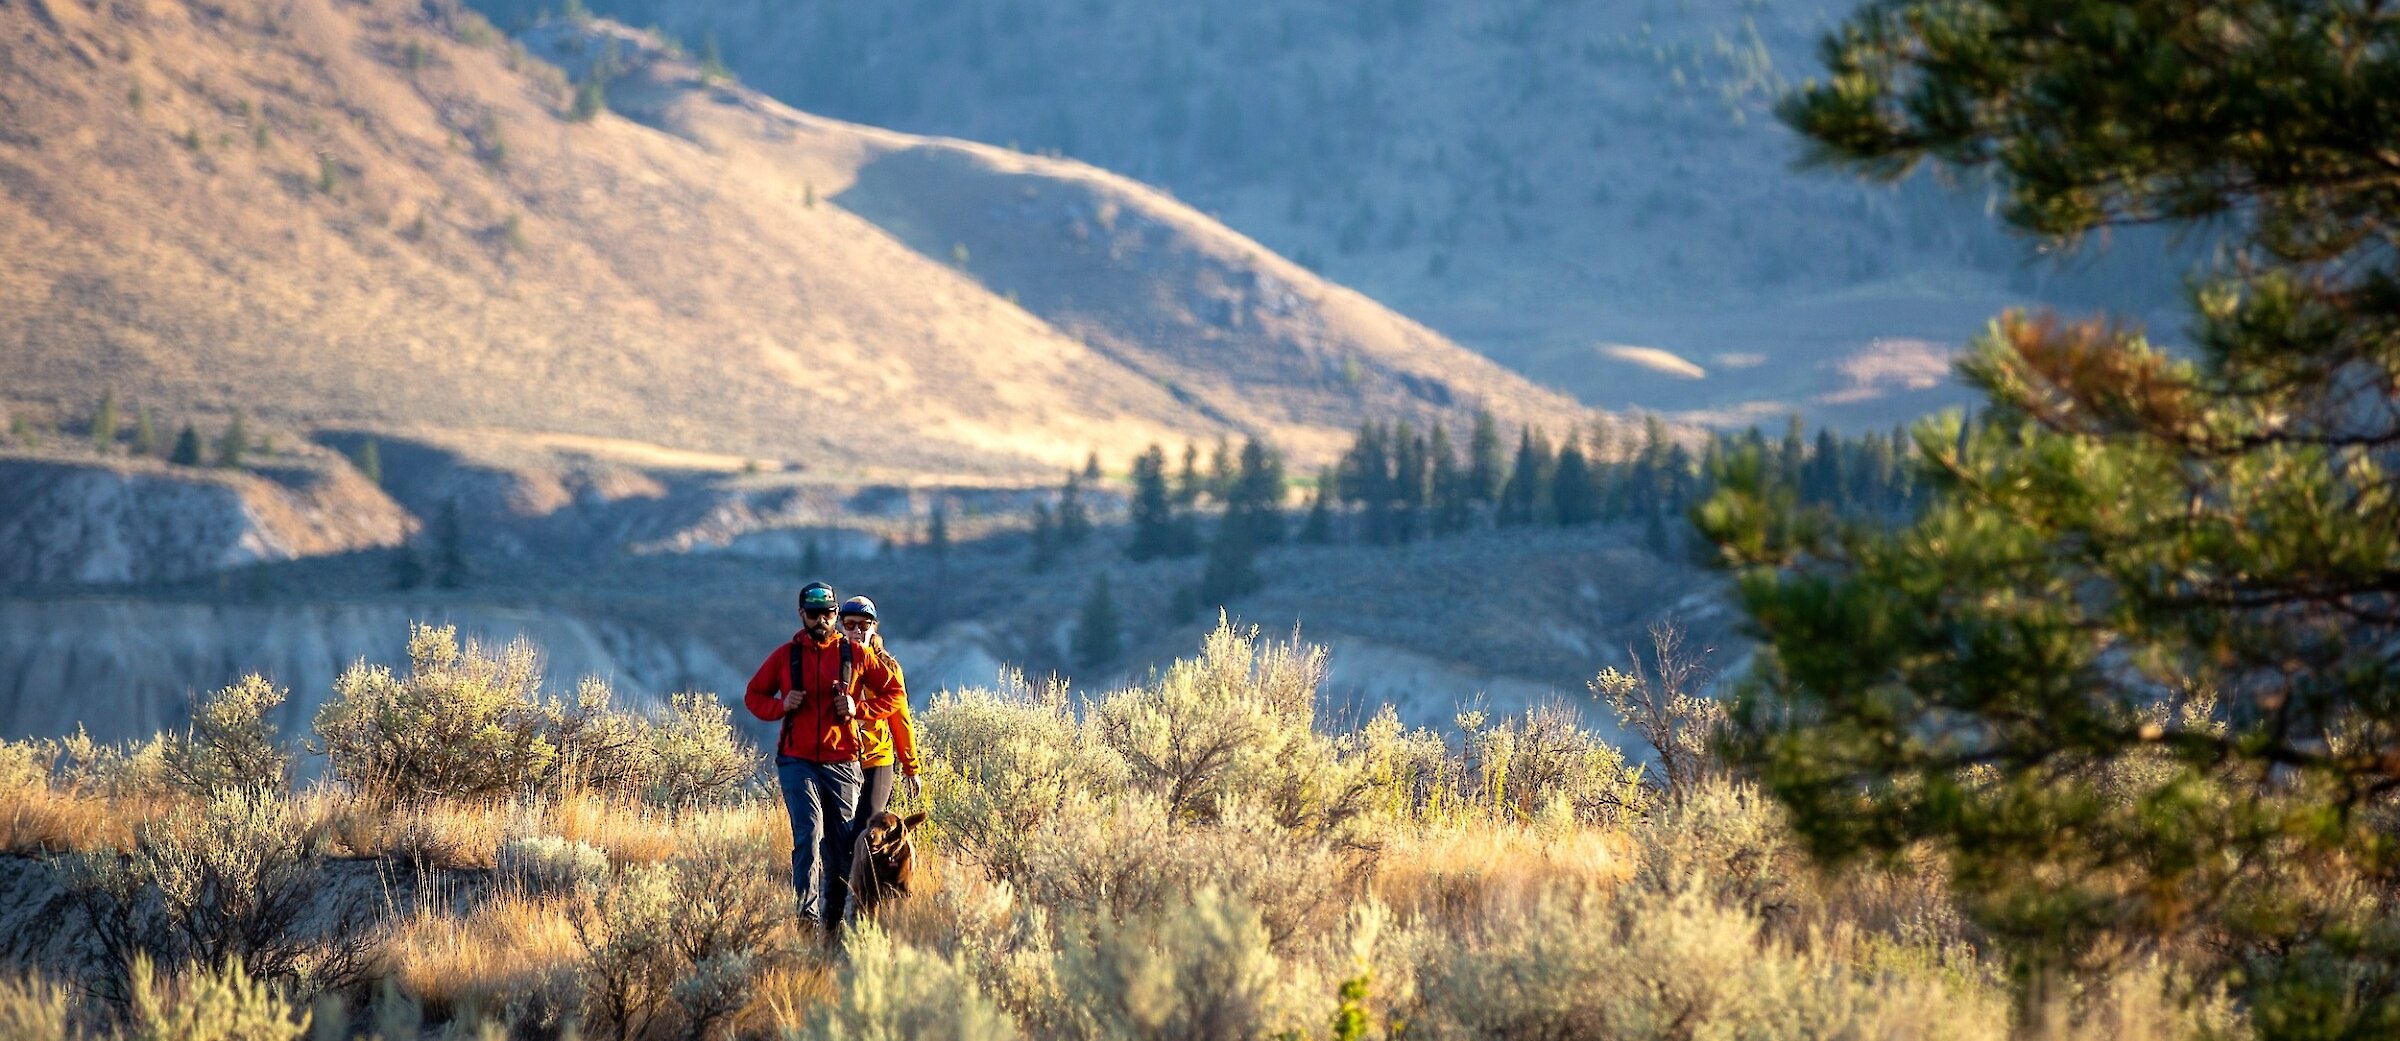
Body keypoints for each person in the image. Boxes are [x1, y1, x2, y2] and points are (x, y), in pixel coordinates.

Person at [743, 581, 906, 943]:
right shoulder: (786, 656)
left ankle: (840, 924)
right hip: (796, 761)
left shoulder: (854, 655)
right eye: (814, 613)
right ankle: (807, 919)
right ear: (802, 615)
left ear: (834, 614)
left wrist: (858, 708)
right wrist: (780, 707)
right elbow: (753, 695)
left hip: (843, 763)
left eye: (828, 613)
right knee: (809, 834)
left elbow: (894, 693)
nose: (822, 620)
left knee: (844, 844)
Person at [837, 595, 922, 842]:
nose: (857, 631)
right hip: (841, 759)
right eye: (850, 624)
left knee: (866, 833)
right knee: (838, 835)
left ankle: (868, 880)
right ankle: (837, 881)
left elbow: (900, 719)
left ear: (874, 627)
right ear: (841, 625)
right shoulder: (832, 661)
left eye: (864, 625)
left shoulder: (888, 666)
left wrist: (911, 767)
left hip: (877, 759)